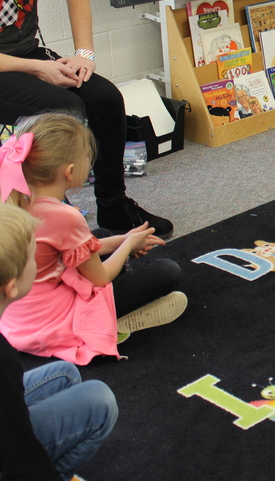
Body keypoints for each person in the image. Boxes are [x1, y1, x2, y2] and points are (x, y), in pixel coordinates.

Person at [0, 0, 172, 237]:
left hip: (29, 56)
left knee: (105, 98)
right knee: (64, 107)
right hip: (12, 65)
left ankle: (113, 206)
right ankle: (53, 219)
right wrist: (38, 67)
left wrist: (83, 54)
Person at [0, 113, 186, 364]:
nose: (91, 161)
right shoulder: (63, 216)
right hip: (51, 323)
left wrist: (123, 240)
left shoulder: (15, 197)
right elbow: (100, 277)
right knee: (168, 271)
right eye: (87, 157)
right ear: (70, 171)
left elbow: (71, 249)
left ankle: (117, 305)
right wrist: (129, 244)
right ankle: (111, 322)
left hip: (16, 319)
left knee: (102, 236)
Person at [0, 202, 118, 480]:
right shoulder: (2, 360)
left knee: (63, 374)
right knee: (100, 401)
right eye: (33, 258)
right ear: (11, 286)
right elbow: (21, 460)